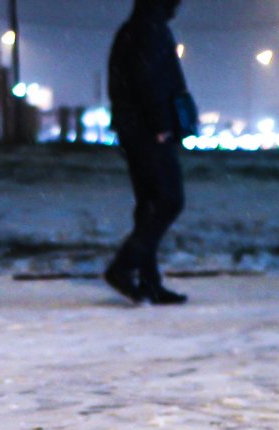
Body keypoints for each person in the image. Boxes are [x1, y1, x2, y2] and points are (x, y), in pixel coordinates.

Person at [104, 0, 199, 306]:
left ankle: (149, 282)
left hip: (134, 130)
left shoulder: (135, 29)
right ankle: (124, 267)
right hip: (149, 132)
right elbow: (150, 81)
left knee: (149, 205)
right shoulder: (149, 30)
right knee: (169, 200)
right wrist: (161, 125)